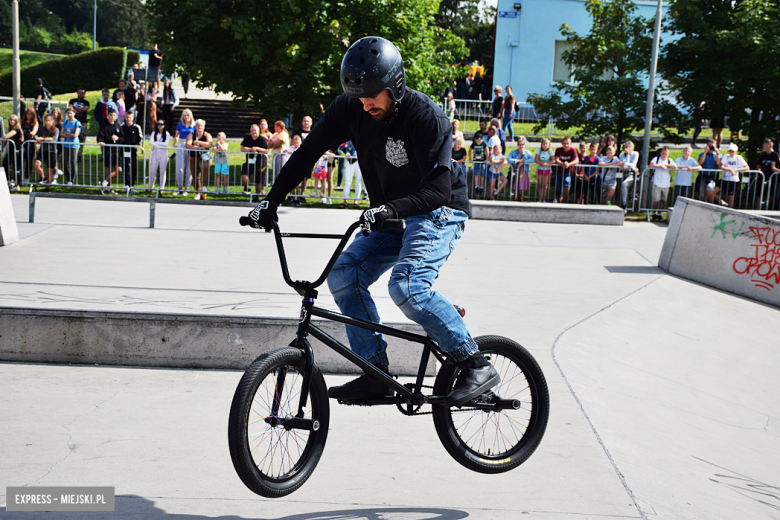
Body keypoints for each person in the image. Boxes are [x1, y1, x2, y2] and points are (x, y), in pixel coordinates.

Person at [243, 36, 496, 406]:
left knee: (407, 286)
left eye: (373, 95)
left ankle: (475, 363)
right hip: (391, 211)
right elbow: (308, 152)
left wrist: (391, 209)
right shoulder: (350, 109)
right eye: (358, 95)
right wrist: (271, 203)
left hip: (438, 209)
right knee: (344, 273)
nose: (365, 104)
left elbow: (439, 191)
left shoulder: (425, 117)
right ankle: (375, 372)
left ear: (395, 85)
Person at [96, 108, 124, 194]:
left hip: (117, 151)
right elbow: (99, 137)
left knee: (119, 169)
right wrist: (100, 141)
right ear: (108, 116)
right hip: (108, 151)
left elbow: (123, 138)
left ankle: (103, 183)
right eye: (111, 115)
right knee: (108, 169)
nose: (112, 117)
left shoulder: (118, 126)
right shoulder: (104, 126)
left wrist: (118, 138)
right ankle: (109, 188)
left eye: (114, 115)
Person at [239, 124, 269, 196]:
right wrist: (251, 149)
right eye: (252, 130)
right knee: (244, 173)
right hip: (249, 161)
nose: (254, 132)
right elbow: (242, 148)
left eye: (255, 130)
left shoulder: (262, 139)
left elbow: (266, 150)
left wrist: (257, 148)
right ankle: (247, 188)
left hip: (260, 163)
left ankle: (257, 195)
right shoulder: (247, 138)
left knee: (258, 181)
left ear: (258, 131)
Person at [186, 119, 213, 200]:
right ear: (195, 126)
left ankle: (204, 187)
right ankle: (197, 192)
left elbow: (209, 144)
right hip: (193, 156)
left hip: (204, 157)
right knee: (195, 174)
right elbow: (188, 145)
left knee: (205, 168)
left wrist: (198, 142)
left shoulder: (207, 135)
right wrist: (200, 147)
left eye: (201, 126)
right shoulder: (191, 134)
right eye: (198, 125)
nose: (199, 127)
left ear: (204, 127)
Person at [719, 143, 749, 208]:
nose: (731, 153)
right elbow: (722, 166)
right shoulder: (726, 156)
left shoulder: (738, 158)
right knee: (714, 191)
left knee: (731, 196)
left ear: (736, 152)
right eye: (730, 151)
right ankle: (722, 202)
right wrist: (730, 170)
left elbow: (746, 167)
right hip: (725, 178)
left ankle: (730, 208)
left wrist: (736, 170)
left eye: (733, 151)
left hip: (733, 179)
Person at [649, 146, 675, 220]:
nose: (664, 155)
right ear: (660, 153)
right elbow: (651, 165)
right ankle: (654, 213)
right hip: (656, 182)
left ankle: (659, 213)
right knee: (656, 199)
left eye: (666, 154)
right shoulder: (656, 159)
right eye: (663, 153)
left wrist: (665, 165)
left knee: (662, 199)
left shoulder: (669, 160)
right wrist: (661, 165)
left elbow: (674, 166)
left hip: (666, 183)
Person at [173, 108, 195, 195]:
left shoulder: (193, 126)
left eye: (188, 115)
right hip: (181, 144)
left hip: (189, 145)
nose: (186, 117)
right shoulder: (179, 124)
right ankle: (179, 187)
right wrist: (175, 142)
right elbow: (176, 135)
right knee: (180, 168)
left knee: (189, 168)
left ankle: (187, 188)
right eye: (185, 115)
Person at [121, 111, 143, 194]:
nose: (128, 119)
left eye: (130, 117)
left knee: (134, 167)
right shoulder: (122, 127)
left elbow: (140, 137)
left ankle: (132, 185)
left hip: (133, 151)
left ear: (133, 118)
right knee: (125, 167)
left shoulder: (137, 127)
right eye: (127, 117)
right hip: (124, 151)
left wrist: (137, 144)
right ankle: (126, 185)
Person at [33, 114, 59, 184]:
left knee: (49, 171)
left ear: (52, 121)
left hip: (52, 151)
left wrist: (43, 138)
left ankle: (48, 187)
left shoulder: (56, 130)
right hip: (43, 150)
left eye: (49, 121)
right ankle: (43, 177)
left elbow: (54, 139)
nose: (47, 122)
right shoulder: (42, 129)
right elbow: (38, 137)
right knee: (36, 164)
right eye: (46, 120)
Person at [292, 116, 314, 197]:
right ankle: (293, 195)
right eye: (305, 121)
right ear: (302, 122)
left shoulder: (313, 132)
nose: (306, 123)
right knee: (295, 176)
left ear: (311, 123)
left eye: (308, 121)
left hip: (309, 158)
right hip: (298, 157)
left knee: (306, 177)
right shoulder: (297, 132)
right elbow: (292, 143)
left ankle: (302, 195)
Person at [755, 139, 779, 210]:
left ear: (768, 146)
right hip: (762, 177)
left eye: (764, 146)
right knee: (760, 194)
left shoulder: (775, 155)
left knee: (770, 194)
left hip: (771, 178)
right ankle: (757, 209)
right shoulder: (762, 156)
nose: (763, 147)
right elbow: (759, 165)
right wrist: (758, 172)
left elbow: (773, 167)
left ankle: (768, 208)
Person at [507, 136, 533, 202]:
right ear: (517, 145)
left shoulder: (527, 152)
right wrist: (518, 161)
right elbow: (508, 159)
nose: (521, 146)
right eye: (519, 144)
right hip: (514, 171)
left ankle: (519, 200)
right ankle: (513, 200)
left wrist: (523, 162)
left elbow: (532, 159)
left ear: (525, 145)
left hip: (523, 171)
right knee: (513, 187)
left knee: (521, 188)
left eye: (522, 145)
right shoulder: (513, 152)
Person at [553, 137, 579, 203]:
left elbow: (576, 160)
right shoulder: (558, 149)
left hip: (568, 171)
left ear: (571, 144)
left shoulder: (573, 150)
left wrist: (569, 164)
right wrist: (563, 163)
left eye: (567, 143)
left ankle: (564, 199)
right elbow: (556, 159)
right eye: (564, 143)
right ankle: (558, 200)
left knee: (567, 182)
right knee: (558, 186)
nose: (566, 145)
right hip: (558, 171)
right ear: (562, 144)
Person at [60, 106, 81, 186]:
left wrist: (67, 134)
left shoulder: (77, 123)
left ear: (74, 113)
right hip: (66, 144)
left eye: (71, 113)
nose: (69, 114)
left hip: (74, 145)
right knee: (64, 162)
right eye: (68, 113)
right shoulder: (65, 122)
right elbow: (61, 134)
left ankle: (72, 180)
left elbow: (75, 135)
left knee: (73, 162)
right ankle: (68, 178)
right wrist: (69, 135)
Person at [148, 120, 171, 193]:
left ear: (164, 125)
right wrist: (159, 144)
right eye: (158, 124)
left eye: (161, 124)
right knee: (152, 170)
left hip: (163, 153)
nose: (160, 126)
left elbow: (166, 143)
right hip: (155, 153)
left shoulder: (166, 134)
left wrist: (156, 143)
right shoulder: (154, 133)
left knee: (162, 171)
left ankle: (162, 187)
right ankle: (151, 186)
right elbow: (151, 142)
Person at [696, 138, 722, 203]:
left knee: (710, 187)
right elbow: (701, 162)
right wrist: (705, 152)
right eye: (709, 146)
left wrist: (717, 153)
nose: (711, 148)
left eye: (712, 146)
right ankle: (702, 203)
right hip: (704, 175)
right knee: (702, 191)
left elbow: (718, 163)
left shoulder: (717, 155)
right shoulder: (702, 154)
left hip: (713, 175)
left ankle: (710, 202)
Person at [2, 114, 23, 190]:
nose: (12, 121)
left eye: (13, 120)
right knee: (5, 164)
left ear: (16, 121)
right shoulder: (11, 129)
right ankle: (10, 180)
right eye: (10, 119)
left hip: (17, 151)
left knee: (16, 167)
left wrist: (1, 139)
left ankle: (16, 184)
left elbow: (6, 136)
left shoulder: (16, 129)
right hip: (11, 151)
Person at [68, 88, 90, 162]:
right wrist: (78, 109)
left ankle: (79, 155)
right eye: (80, 93)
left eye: (83, 93)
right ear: (77, 93)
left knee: (82, 139)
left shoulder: (86, 102)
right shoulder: (72, 101)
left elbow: (85, 109)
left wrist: (75, 109)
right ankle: (71, 155)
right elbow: (70, 108)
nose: (81, 94)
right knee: (71, 138)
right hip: (72, 122)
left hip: (83, 123)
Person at [338, 140, 361, 208]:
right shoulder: (350, 140)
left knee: (358, 182)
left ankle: (356, 201)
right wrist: (347, 153)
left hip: (359, 162)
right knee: (348, 182)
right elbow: (348, 149)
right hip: (350, 161)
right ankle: (345, 201)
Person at [618, 140, 639, 209]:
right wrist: (627, 155)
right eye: (626, 147)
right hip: (624, 173)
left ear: (633, 148)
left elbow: (633, 164)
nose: (628, 148)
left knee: (624, 184)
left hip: (632, 174)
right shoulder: (621, 155)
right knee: (622, 186)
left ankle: (627, 201)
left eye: (630, 147)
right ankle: (624, 203)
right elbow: (626, 164)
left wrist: (628, 155)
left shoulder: (635, 153)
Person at [269, 120, 290, 187]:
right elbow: (269, 145)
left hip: (282, 155)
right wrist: (273, 143)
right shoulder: (275, 134)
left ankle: (282, 186)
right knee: (275, 172)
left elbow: (276, 145)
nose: (274, 128)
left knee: (281, 172)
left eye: (275, 126)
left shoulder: (283, 134)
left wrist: (273, 143)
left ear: (278, 126)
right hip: (275, 155)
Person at [20, 107, 39, 182]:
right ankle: (19, 177)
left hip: (30, 144)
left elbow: (33, 133)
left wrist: (26, 132)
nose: (28, 115)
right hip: (22, 143)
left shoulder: (35, 123)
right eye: (27, 113)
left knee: (29, 161)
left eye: (30, 114)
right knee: (20, 160)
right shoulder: (22, 122)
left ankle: (27, 177)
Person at [534, 138, 554, 203]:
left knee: (545, 185)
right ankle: (540, 199)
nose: (545, 145)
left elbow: (553, 160)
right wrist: (541, 163)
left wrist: (547, 164)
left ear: (549, 145)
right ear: (541, 144)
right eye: (543, 144)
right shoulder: (539, 150)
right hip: (540, 169)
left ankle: (544, 199)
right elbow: (536, 159)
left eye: (546, 144)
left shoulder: (550, 151)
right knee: (540, 184)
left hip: (547, 169)